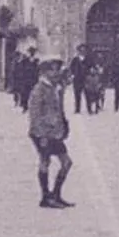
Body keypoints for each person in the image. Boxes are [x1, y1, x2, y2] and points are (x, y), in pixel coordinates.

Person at [27, 49, 74, 209]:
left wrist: (64, 125)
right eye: (52, 69)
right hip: (43, 134)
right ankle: (45, 197)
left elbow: (59, 108)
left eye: (57, 69)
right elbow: (34, 114)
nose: (56, 72)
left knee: (66, 163)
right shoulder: (39, 89)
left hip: (55, 132)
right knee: (45, 162)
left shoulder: (55, 88)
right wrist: (41, 135)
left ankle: (56, 194)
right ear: (45, 71)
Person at [68, 46, 89, 114]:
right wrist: (73, 74)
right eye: (81, 51)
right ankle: (77, 109)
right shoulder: (75, 60)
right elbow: (71, 68)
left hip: (86, 79)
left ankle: (89, 108)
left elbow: (92, 67)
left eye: (84, 51)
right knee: (77, 95)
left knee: (88, 94)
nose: (82, 52)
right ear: (79, 51)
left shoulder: (88, 59)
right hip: (77, 79)